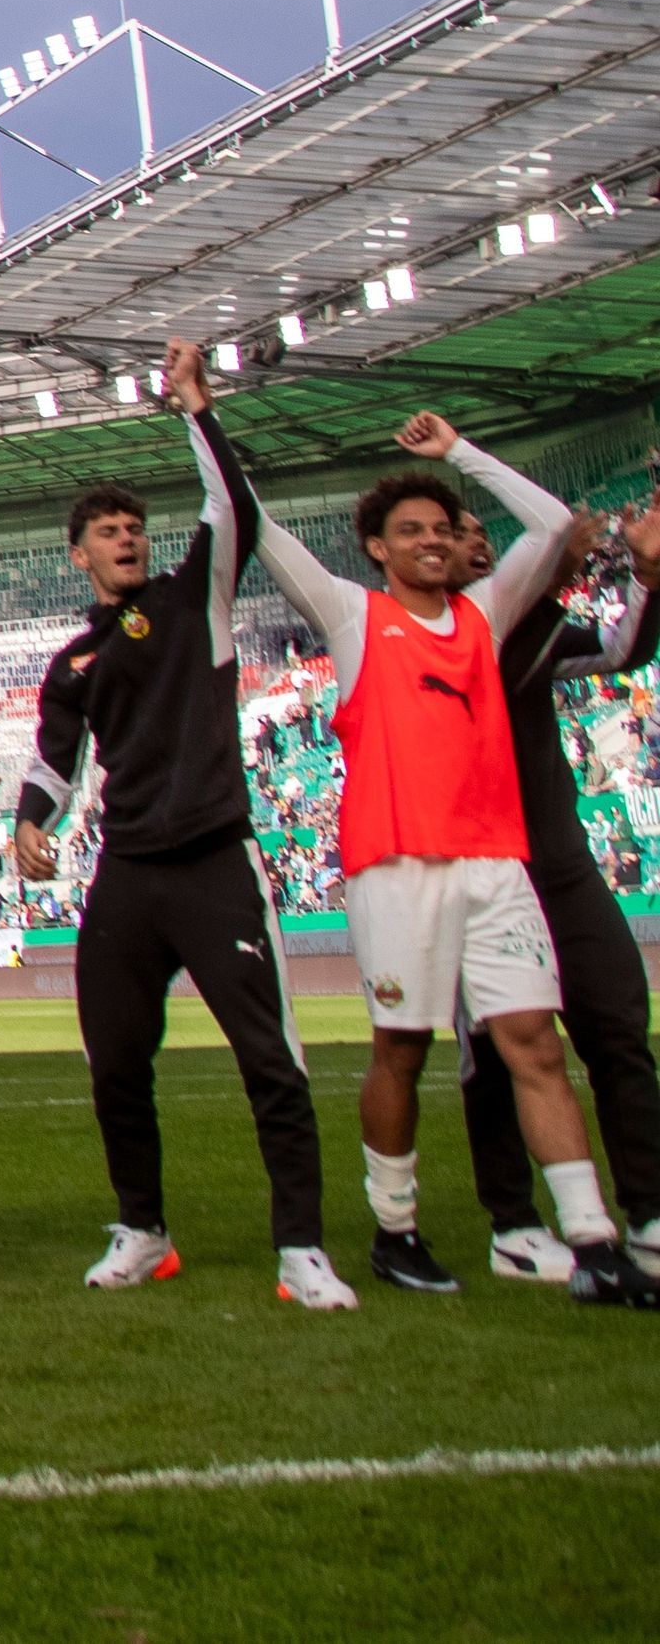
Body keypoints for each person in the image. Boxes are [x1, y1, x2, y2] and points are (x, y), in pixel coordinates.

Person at [243, 406, 660, 1308]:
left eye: (442, 528)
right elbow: (254, 525)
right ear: (376, 550)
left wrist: (458, 454)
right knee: (400, 1049)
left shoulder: (485, 614)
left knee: (534, 1047)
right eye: (411, 531)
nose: (432, 541)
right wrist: (201, 414)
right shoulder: (354, 617)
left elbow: (549, 525)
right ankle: (395, 1230)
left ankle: (591, 1241)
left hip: (496, 863)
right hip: (394, 865)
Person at [19, 340, 342, 1306]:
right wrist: (31, 823)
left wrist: (196, 408)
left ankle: (301, 1249)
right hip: (128, 873)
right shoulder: (74, 660)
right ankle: (143, 1229)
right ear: (77, 554)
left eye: (133, 526)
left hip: (213, 859)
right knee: (115, 1060)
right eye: (106, 530)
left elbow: (234, 510)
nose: (125, 537)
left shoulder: (194, 598)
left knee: (270, 1059)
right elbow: (52, 759)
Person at [451, 496, 660, 1278]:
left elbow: (622, 650)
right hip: (477, 872)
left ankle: (649, 1211)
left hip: (562, 867)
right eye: (452, 531)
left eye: (475, 531)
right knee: (493, 1056)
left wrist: (644, 571)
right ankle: (512, 1221)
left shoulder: (529, 631)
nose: (469, 541)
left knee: (617, 1035)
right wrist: (560, 569)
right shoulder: (436, 643)